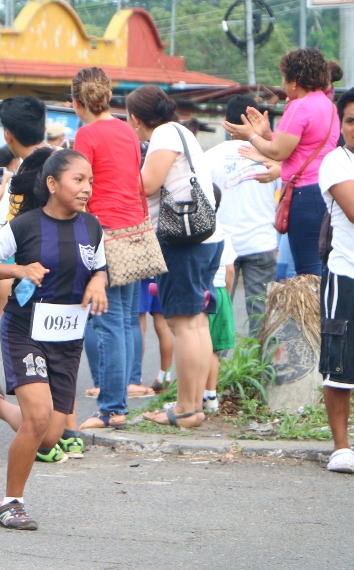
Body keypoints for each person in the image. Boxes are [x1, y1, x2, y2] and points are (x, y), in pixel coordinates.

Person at [0, 148, 108, 530]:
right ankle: (10, 502)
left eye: (90, 181)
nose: (86, 189)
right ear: (52, 183)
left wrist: (97, 283)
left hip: (67, 338)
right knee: (39, 416)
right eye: (78, 180)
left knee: (48, 437)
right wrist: (18, 268)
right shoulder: (25, 226)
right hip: (25, 331)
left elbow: (100, 269)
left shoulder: (92, 227)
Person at [127, 85, 224, 429]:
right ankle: (193, 406)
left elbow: (148, 184)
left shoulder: (165, 134)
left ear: (136, 118)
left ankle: (184, 409)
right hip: (206, 236)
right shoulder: (181, 130)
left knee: (182, 324)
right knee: (195, 322)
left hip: (182, 241)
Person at [71, 67, 150, 429]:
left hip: (105, 231)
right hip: (136, 228)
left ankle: (112, 409)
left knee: (108, 322)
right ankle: (119, 400)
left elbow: (80, 190)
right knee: (125, 319)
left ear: (77, 102)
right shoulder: (127, 130)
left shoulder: (85, 135)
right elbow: (136, 181)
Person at [223, 48, 341, 276]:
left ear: (294, 81)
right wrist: (266, 135)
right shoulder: (328, 106)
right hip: (325, 190)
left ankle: (311, 313)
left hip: (303, 194)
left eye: (284, 79)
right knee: (321, 264)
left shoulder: (299, 106)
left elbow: (277, 152)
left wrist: (250, 135)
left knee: (307, 270)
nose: (284, 86)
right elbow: (297, 147)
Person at [205, 96, 281, 336]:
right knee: (261, 315)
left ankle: (216, 371)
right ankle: (260, 371)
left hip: (221, 248)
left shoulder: (209, 158)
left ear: (225, 123)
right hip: (262, 243)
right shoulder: (273, 157)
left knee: (218, 314)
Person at [316, 88, 354, 474]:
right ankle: (341, 446)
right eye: (350, 120)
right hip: (346, 276)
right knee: (340, 366)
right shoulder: (335, 162)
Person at [0, 97, 51, 315]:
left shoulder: (22, 178)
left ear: (8, 135)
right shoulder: (67, 163)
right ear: (44, 128)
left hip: (33, 276)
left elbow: (13, 230)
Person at [202, 235, 237, 413]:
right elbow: (230, 271)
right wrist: (226, 296)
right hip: (221, 291)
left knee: (198, 344)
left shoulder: (195, 227)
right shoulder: (223, 232)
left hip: (202, 291)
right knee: (213, 349)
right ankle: (211, 395)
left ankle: (194, 396)